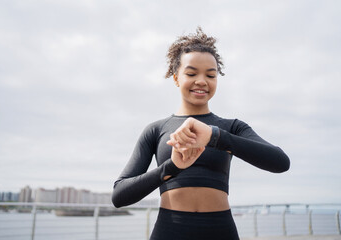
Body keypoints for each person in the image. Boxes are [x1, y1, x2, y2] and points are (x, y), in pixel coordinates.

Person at [112, 27, 290, 240]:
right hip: (170, 230)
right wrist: (172, 167)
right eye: (191, 73)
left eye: (210, 75)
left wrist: (215, 136)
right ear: (176, 78)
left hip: (220, 230)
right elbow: (119, 195)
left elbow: (280, 162)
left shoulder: (231, 127)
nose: (202, 81)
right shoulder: (156, 130)